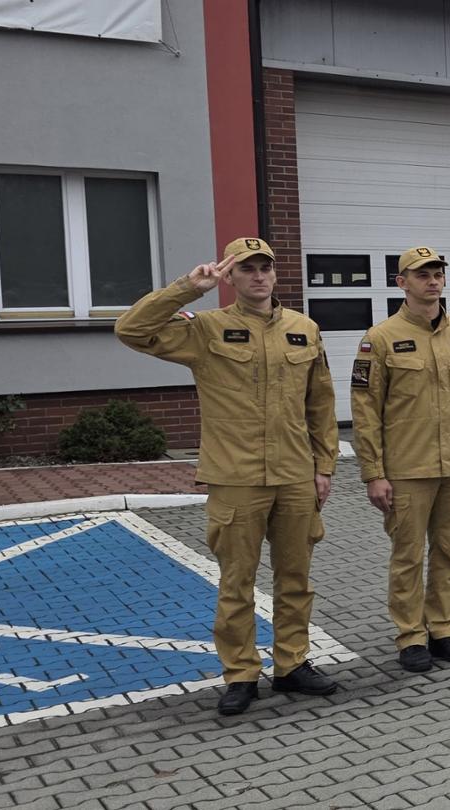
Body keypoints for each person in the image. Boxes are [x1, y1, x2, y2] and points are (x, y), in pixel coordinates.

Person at [115, 238, 340, 715]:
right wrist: (186, 289)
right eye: (247, 269)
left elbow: (320, 405)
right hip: (235, 477)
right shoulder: (207, 329)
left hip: (295, 475)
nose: (258, 276)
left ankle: (292, 665)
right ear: (230, 277)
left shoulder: (304, 329)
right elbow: (131, 330)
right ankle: (240, 673)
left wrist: (324, 467)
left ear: (275, 275)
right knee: (236, 582)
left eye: (265, 268)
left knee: (296, 578)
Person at [352, 245, 450, 673]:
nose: (432, 281)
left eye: (437, 273)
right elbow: (365, 411)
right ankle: (411, 636)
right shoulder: (379, 338)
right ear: (402, 283)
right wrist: (373, 474)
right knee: (408, 556)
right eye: (421, 275)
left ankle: (445, 629)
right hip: (407, 471)